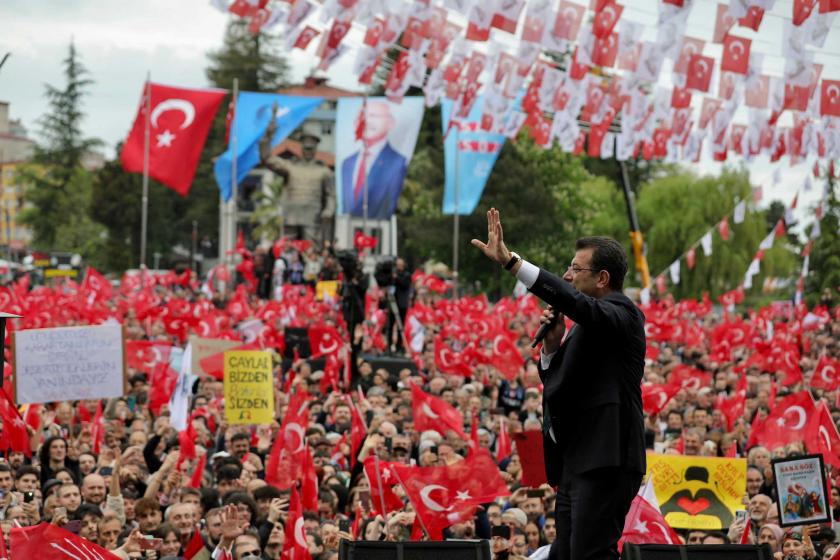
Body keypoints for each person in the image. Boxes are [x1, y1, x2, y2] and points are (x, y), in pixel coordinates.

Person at [472, 208, 646, 559]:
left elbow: (574, 302)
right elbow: (559, 387)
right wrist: (551, 349)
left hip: (606, 460)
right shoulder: (584, 326)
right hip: (577, 461)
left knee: (590, 554)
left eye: (576, 269)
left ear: (602, 278)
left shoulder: (622, 314)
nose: (567, 275)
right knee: (564, 555)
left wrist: (512, 262)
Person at [340, 101, 408, 220]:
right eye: (363, 116)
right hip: (347, 229)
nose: (368, 121)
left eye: (374, 116)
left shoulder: (397, 162)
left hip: (378, 229)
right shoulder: (347, 163)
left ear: (391, 123)